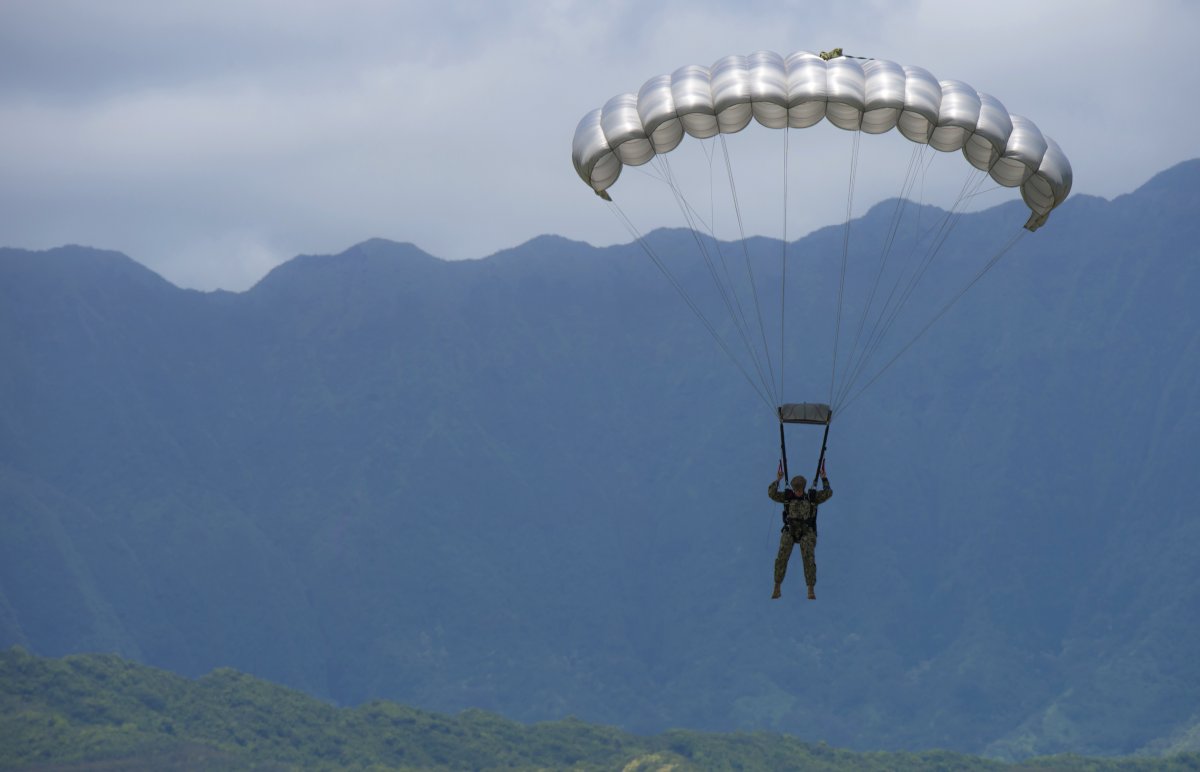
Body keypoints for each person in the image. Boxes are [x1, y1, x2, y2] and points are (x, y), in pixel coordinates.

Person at [768, 463, 832, 600]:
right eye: (795, 490)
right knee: (782, 553)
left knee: (808, 553)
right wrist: (778, 480)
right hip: (790, 530)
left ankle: (810, 588)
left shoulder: (811, 497)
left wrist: (824, 479)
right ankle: (777, 586)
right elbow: (771, 494)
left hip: (807, 531)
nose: (797, 492)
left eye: (800, 489)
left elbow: (828, 493)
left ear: (803, 488)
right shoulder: (788, 497)